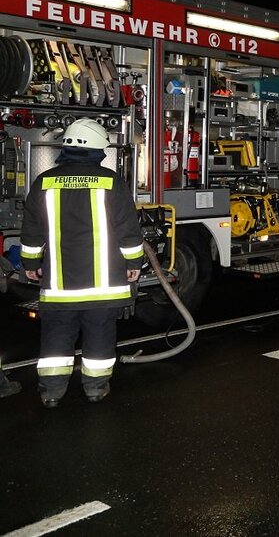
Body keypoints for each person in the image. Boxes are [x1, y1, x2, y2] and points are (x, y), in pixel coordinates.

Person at [20, 118, 144, 408]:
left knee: (56, 337)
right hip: (103, 287)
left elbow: (32, 230)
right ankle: (95, 388)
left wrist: (29, 261)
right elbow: (128, 230)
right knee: (99, 335)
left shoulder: (44, 182)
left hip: (59, 285)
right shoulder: (111, 182)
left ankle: (51, 392)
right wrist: (134, 261)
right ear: (98, 149)